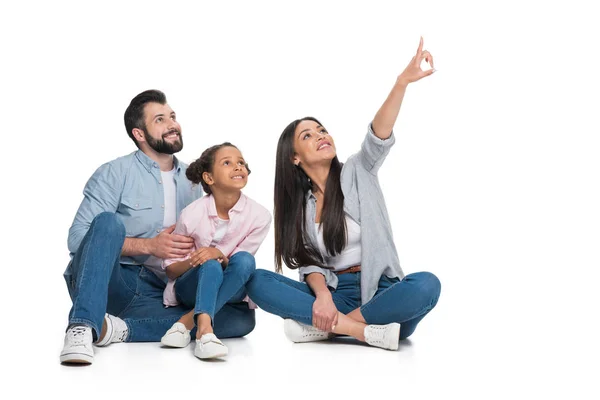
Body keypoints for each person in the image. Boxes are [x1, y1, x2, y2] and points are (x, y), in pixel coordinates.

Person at [246, 38, 441, 351]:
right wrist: (323, 297)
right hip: (335, 290)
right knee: (256, 281)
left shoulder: (357, 170)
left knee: (426, 285)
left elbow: (378, 136)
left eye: (322, 130)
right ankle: (364, 331)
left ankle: (331, 328)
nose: (321, 135)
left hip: (380, 292)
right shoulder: (301, 206)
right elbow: (309, 264)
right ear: (294, 157)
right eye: (308, 135)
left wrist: (401, 82)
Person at [60, 90, 255, 365]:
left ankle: (118, 329)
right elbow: (77, 238)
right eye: (160, 120)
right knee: (107, 222)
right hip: (116, 283)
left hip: (161, 290)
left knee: (241, 319)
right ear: (140, 134)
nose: (172, 124)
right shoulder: (114, 172)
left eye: (173, 117)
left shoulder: (195, 182)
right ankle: (81, 325)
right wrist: (148, 245)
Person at [159, 143, 271, 359]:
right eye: (227, 163)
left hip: (233, 285)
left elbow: (241, 268)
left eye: (241, 163)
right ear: (209, 178)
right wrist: (198, 259)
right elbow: (172, 271)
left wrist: (218, 254)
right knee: (209, 264)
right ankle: (204, 330)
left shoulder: (260, 216)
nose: (238, 167)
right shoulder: (191, 214)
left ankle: (191, 323)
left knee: (246, 260)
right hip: (191, 287)